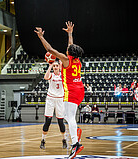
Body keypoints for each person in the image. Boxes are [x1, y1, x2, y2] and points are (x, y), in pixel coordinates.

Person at [35, 21, 84, 158]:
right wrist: (69, 33)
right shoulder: (75, 59)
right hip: (80, 89)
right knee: (69, 117)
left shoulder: (65, 59)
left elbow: (50, 50)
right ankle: (75, 133)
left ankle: (75, 144)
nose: (68, 48)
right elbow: (70, 45)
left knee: (69, 118)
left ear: (69, 52)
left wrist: (41, 37)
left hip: (72, 91)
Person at [40, 61, 67, 149]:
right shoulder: (51, 75)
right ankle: (43, 140)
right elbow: (45, 77)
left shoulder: (62, 75)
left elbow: (65, 72)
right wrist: (50, 66)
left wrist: (62, 65)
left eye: (56, 66)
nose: (55, 67)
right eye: (54, 66)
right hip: (50, 99)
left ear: (59, 67)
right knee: (48, 121)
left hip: (60, 99)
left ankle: (64, 140)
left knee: (60, 122)